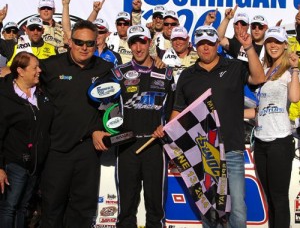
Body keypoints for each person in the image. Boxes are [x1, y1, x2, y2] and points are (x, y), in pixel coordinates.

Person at [153, 25, 265, 228]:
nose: (206, 48)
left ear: (216, 45)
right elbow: (179, 111)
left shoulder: (234, 67)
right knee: (209, 210)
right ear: (195, 45)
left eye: (210, 43)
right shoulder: (187, 75)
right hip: (202, 152)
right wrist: (167, 129)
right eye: (202, 44)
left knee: (238, 209)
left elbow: (259, 78)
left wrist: (249, 48)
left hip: (231, 149)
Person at [40, 20, 113, 228]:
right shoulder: (51, 66)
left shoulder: (106, 69)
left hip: (87, 151)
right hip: (56, 150)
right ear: (70, 42)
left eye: (89, 43)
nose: (84, 47)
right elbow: (21, 74)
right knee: (52, 210)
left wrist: (100, 128)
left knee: (83, 211)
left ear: (96, 44)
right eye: (79, 42)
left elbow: (116, 105)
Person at [112, 24, 175, 228]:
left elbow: (175, 110)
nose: (138, 48)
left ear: (150, 43)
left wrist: (166, 126)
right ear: (129, 45)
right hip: (126, 146)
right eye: (133, 43)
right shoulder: (118, 74)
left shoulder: (165, 73)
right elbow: (106, 108)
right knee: (126, 209)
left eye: (142, 42)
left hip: (155, 146)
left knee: (155, 208)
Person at [245, 26, 300, 228]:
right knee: (270, 198)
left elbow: (294, 98)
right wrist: (229, 113)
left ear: (285, 45)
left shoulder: (289, 71)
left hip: (279, 140)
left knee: (278, 198)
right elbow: (258, 111)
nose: (273, 45)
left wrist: (295, 69)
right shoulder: (264, 72)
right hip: (261, 141)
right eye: (270, 41)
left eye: (277, 42)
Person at [0, 51, 53, 228]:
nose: (39, 71)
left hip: (35, 163)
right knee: (9, 207)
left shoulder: (42, 92)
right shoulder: (5, 97)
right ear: (20, 71)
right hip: (15, 163)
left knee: (23, 207)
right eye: (35, 68)